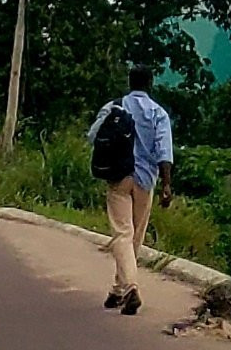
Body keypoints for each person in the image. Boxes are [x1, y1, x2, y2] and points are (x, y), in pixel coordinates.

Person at [88, 65, 173, 315]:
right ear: (150, 84)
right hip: (146, 180)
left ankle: (126, 288)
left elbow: (93, 136)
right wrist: (166, 184)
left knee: (122, 234)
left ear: (129, 82)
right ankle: (122, 289)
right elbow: (164, 150)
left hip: (118, 177)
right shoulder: (159, 113)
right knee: (134, 236)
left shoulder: (114, 106)